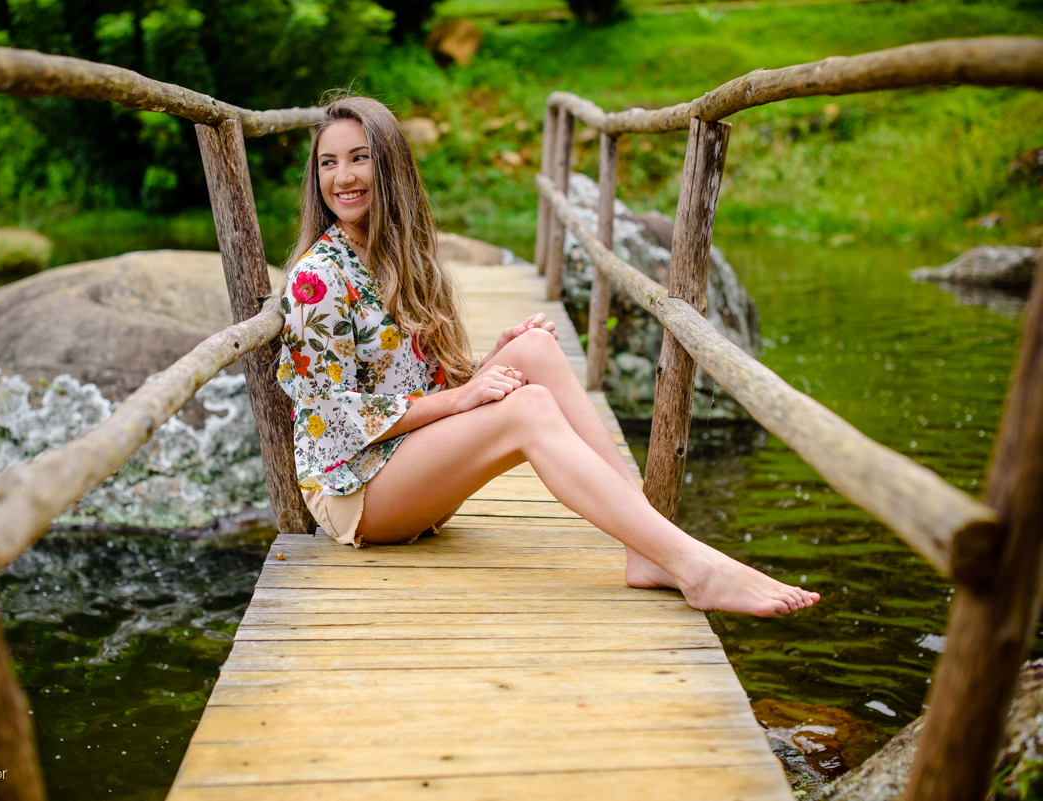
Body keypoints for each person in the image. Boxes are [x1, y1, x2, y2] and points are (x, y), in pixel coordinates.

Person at [276, 94, 819, 617]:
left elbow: (421, 382)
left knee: (533, 348)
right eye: (328, 163)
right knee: (529, 408)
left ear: (391, 166)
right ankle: (693, 566)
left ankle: (649, 547)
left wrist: (492, 359)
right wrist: (464, 399)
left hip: (406, 463)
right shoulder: (316, 279)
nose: (342, 177)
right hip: (355, 490)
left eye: (359, 157)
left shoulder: (403, 256)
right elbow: (332, 417)